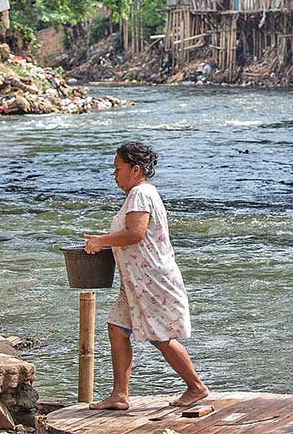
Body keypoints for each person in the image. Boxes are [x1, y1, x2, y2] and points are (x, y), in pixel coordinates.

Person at [84, 142, 209, 410]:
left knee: (160, 336)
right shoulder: (139, 193)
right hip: (135, 279)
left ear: (136, 169)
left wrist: (101, 241)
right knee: (117, 328)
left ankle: (196, 387)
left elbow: (135, 233)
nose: (114, 175)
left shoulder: (140, 194)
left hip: (149, 278)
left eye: (118, 169)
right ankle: (120, 395)